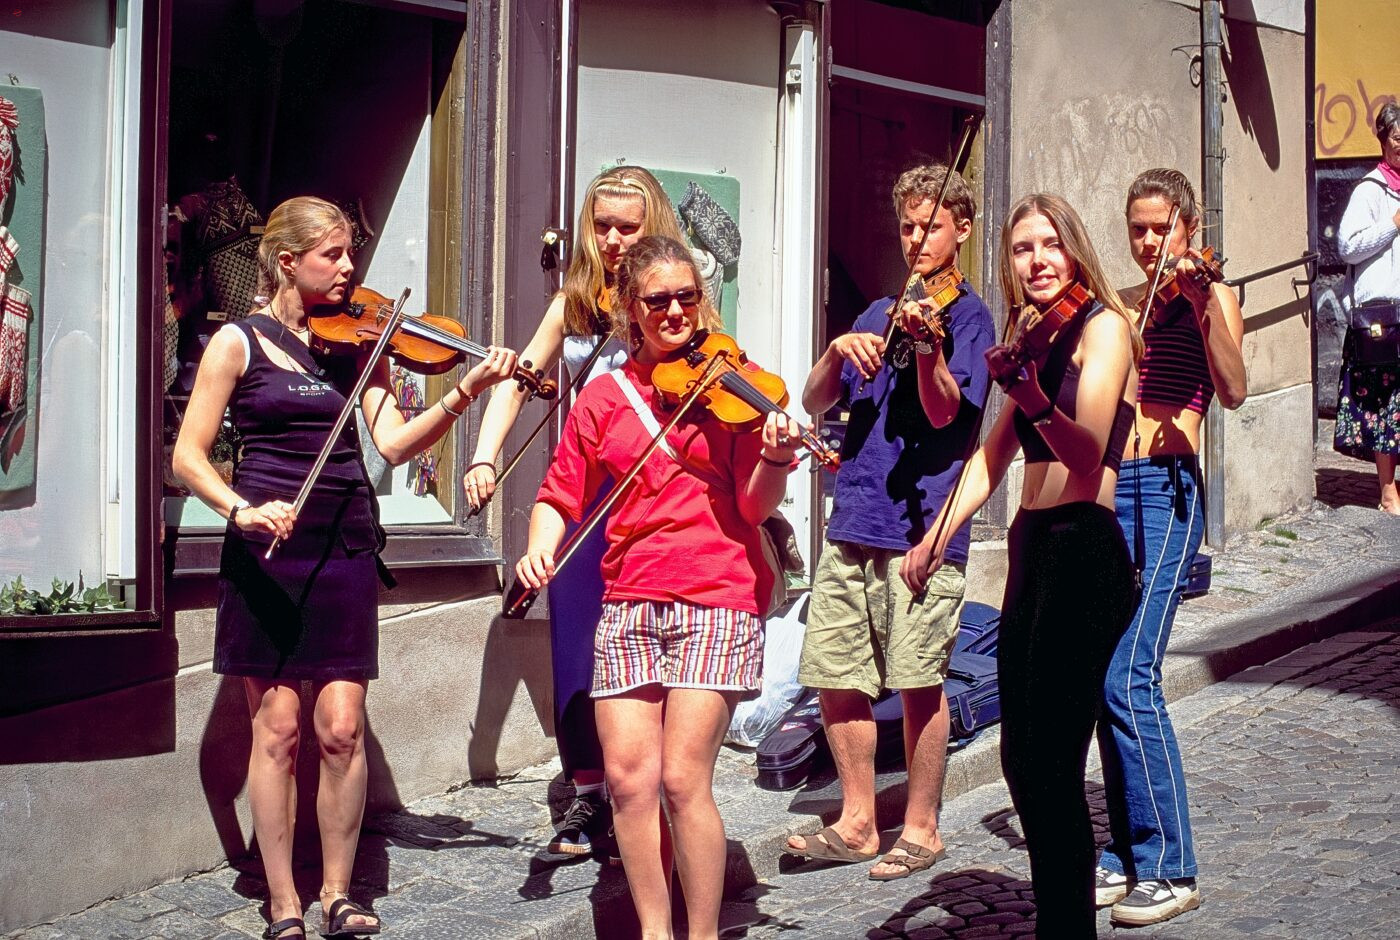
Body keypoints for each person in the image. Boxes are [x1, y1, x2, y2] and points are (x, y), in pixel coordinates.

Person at [173, 197, 517, 940]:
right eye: (332, 255)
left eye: (349, 253)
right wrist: (240, 508)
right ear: (287, 261)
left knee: (340, 729)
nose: (349, 269)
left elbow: (392, 444)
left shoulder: (360, 343)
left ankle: (337, 891)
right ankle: (282, 899)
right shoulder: (237, 342)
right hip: (268, 549)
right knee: (278, 731)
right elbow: (188, 457)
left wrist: (466, 392)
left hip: (344, 545)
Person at [513, 235, 799, 940]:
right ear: (627, 309)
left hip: (716, 592)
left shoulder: (735, 384)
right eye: (658, 300)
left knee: (681, 779)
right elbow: (559, 493)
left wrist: (774, 458)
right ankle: (654, 932)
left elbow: (753, 508)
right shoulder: (603, 397)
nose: (675, 312)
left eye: (687, 298)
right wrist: (539, 547)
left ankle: (700, 933)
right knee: (629, 782)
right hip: (629, 598)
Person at [902, 193, 1141, 937]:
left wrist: (1032, 395)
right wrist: (937, 534)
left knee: (1052, 761)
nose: (1036, 261)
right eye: (1021, 249)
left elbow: (1086, 453)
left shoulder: (1104, 328)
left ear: (1074, 249)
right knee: (1020, 759)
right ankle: (1059, 916)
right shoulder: (1032, 334)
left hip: (1085, 548)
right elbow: (991, 456)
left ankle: (1065, 928)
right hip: (1034, 547)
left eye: (1049, 245)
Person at [465, 166, 717, 858]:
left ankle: (656, 779)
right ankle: (587, 786)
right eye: (601, 225)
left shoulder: (675, 301)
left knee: (652, 640)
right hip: (589, 488)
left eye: (627, 227)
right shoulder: (573, 304)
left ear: (653, 225)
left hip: (658, 495)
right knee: (577, 640)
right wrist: (485, 455)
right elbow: (519, 382)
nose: (611, 239)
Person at [783, 164, 994, 880]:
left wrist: (928, 348)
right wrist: (835, 349)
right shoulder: (877, 312)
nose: (916, 240)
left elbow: (945, 415)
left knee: (918, 680)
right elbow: (815, 400)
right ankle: (857, 821)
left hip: (921, 529)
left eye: (930, 227)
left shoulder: (969, 318)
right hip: (854, 518)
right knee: (837, 673)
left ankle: (924, 827)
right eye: (907, 227)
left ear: (961, 229)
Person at [1091, 168, 1246, 927]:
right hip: (1113, 488)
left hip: (1168, 492)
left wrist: (1201, 302)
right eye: (1139, 229)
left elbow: (1234, 387)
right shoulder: (1124, 303)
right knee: (1102, 676)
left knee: (1132, 673)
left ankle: (1172, 865)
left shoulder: (1212, 296)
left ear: (1190, 228)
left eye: (1163, 229)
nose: (1150, 242)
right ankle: (1125, 849)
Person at [1335, 101, 1400, 513]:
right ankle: (1388, 492)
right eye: (1397, 139)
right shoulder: (1370, 190)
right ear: (1383, 141)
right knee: (1385, 402)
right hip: (1385, 318)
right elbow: (1347, 246)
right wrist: (1393, 224)